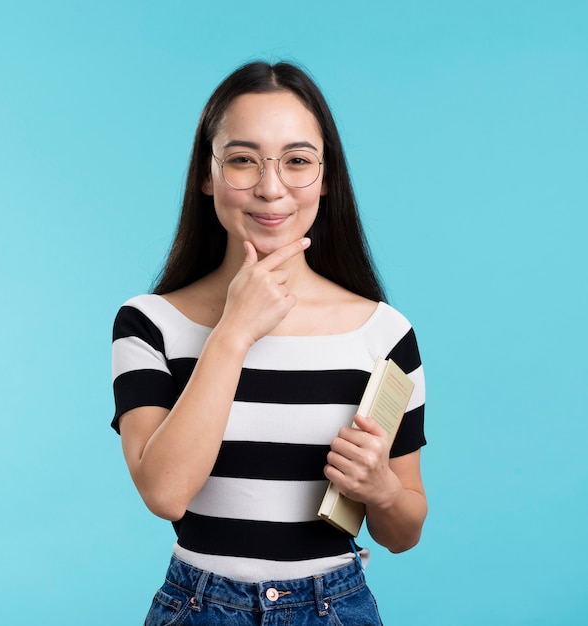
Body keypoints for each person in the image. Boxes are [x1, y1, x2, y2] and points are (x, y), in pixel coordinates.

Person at [111, 60, 427, 625]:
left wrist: (380, 489)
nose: (270, 187)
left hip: (335, 606)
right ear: (206, 176)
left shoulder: (384, 333)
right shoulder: (150, 323)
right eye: (242, 160)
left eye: (298, 161)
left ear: (326, 179)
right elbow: (164, 494)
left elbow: (404, 531)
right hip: (200, 607)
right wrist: (234, 331)